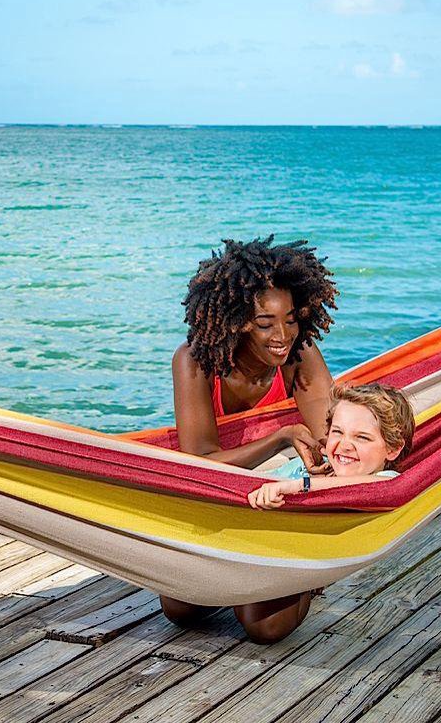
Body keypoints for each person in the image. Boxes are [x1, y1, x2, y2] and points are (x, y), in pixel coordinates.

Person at [165, 236, 339, 643]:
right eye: (265, 323)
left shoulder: (300, 355)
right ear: (235, 321)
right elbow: (201, 459)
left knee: (266, 628)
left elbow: (328, 443)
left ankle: (305, 569)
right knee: (181, 610)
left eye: (292, 319)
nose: (283, 334)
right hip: (213, 500)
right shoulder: (195, 362)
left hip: (277, 505)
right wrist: (278, 437)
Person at [247, 382, 414, 510]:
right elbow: (252, 482)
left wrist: (299, 485)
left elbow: (372, 488)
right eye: (337, 432)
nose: (345, 445)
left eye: (362, 437)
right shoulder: (309, 466)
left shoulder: (388, 481)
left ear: (393, 450)